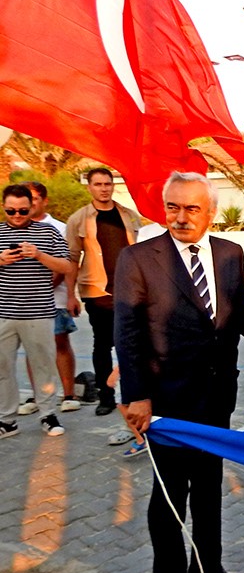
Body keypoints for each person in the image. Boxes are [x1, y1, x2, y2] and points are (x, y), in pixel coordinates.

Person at [114, 172, 244, 573]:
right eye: (173, 208)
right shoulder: (139, 258)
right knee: (169, 493)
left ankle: (206, 567)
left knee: (208, 485)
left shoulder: (230, 253)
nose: (181, 218)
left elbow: (235, 305)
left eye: (191, 209)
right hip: (166, 398)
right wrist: (137, 396)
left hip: (217, 391)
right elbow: (126, 333)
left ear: (210, 212)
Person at [1, 184, 74, 438]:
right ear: (4, 207)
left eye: (22, 210)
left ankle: (48, 414)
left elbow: (66, 266)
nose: (17, 216)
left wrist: (40, 255)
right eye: (11, 211)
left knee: (43, 366)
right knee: (2, 368)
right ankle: (7, 420)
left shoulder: (48, 231)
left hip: (39, 312)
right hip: (4, 313)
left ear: (31, 207)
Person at [66, 167, 141, 416]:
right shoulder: (79, 219)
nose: (104, 188)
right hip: (97, 291)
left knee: (131, 344)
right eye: (98, 184)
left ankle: (132, 393)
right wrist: (70, 295)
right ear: (89, 187)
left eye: (107, 184)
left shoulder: (128, 215)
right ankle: (106, 397)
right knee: (102, 345)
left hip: (129, 290)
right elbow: (72, 259)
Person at [21, 181, 81, 414]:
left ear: (44, 200)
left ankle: (68, 394)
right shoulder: (13, 227)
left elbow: (64, 265)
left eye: (34, 198)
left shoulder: (58, 228)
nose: (30, 202)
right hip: (22, 302)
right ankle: (38, 397)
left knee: (59, 343)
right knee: (31, 347)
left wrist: (69, 296)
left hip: (52, 298)